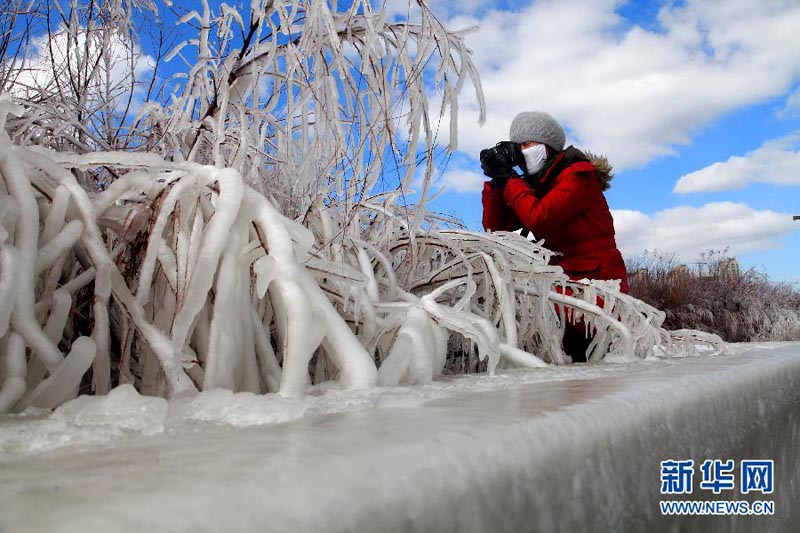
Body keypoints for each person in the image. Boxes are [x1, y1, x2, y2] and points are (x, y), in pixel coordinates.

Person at [480, 111, 628, 362]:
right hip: (561, 282)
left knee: (591, 363)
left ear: (547, 147)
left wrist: (511, 180)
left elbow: (539, 218)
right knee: (567, 364)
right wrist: (497, 184)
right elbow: (496, 229)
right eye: (519, 147)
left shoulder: (579, 177)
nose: (522, 151)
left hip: (596, 284)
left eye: (528, 145)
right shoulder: (538, 184)